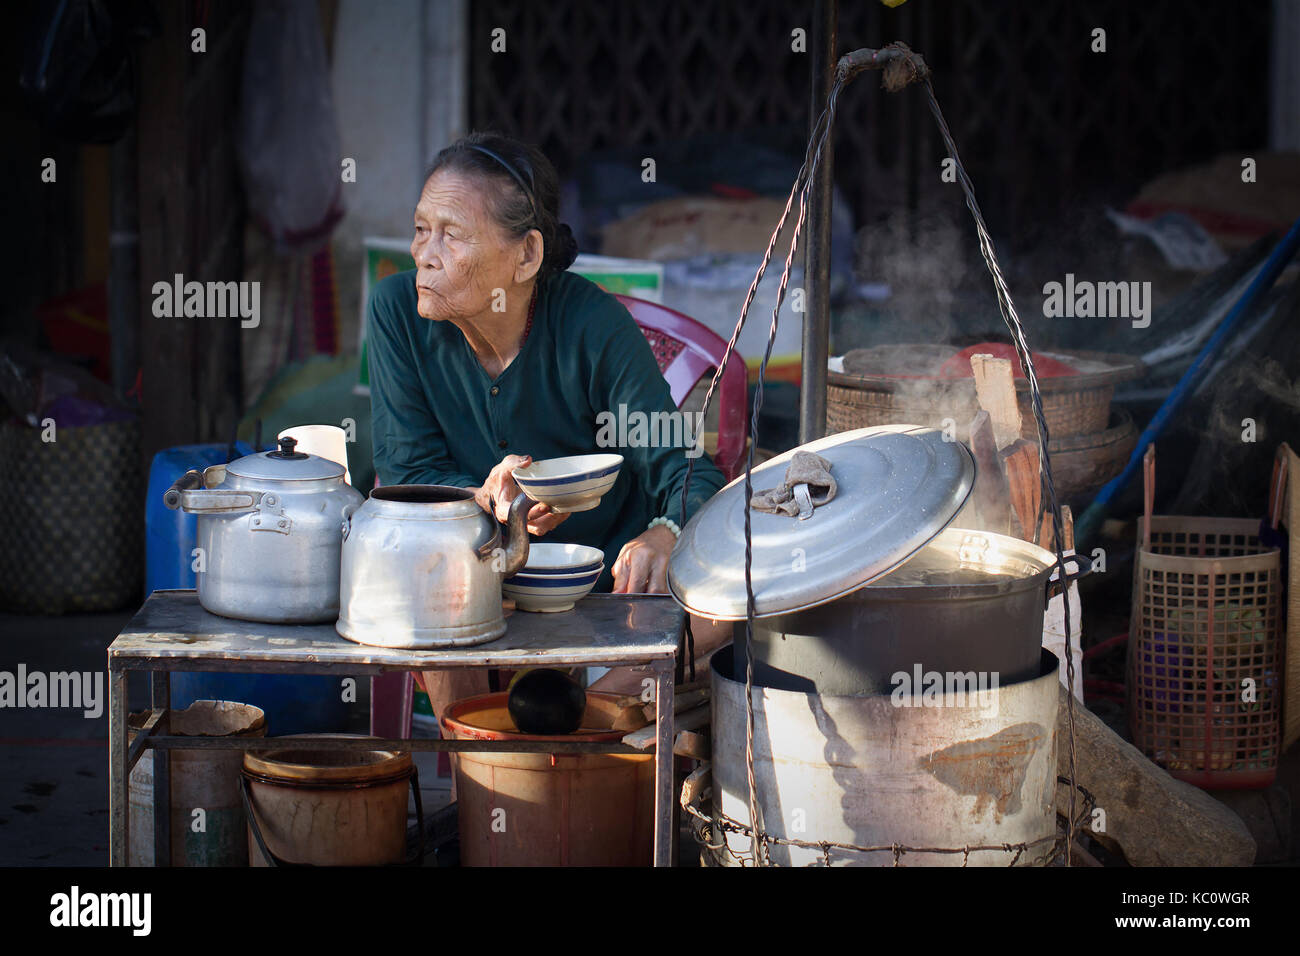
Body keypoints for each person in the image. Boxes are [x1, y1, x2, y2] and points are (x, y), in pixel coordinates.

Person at [366, 131, 730, 704]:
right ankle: (485, 768)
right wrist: (489, 506)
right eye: (420, 229)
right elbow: (408, 474)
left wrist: (664, 534)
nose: (424, 254)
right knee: (421, 577)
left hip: (610, 588)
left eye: (452, 234)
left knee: (737, 599)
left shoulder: (592, 326)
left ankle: (585, 718)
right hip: (477, 581)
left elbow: (687, 471)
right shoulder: (397, 314)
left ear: (527, 256)